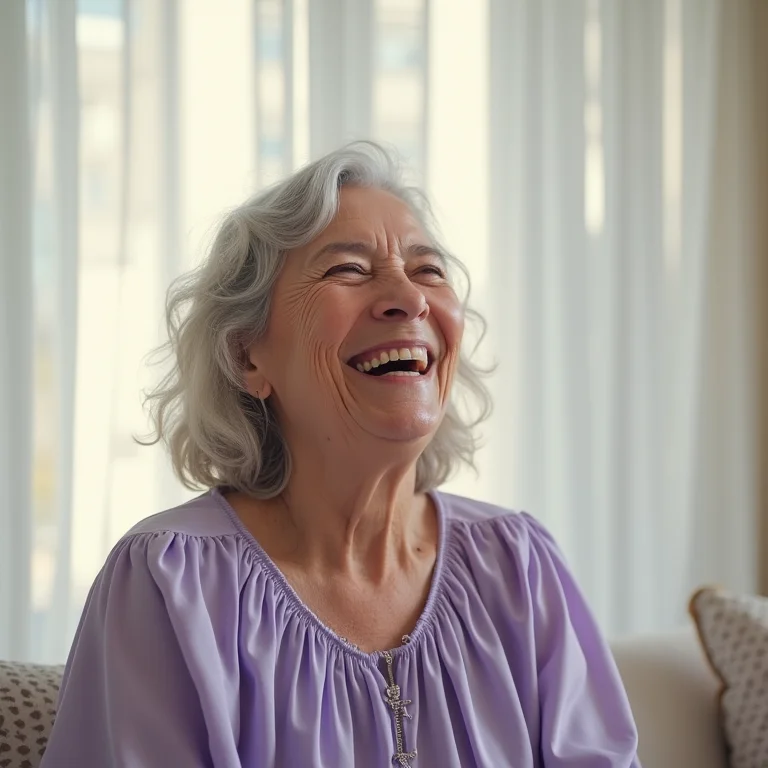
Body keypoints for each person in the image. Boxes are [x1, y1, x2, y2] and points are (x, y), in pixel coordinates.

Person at [41, 143, 641, 767]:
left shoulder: (519, 567)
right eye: (348, 270)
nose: (407, 299)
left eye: (428, 270)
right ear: (249, 356)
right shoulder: (171, 583)